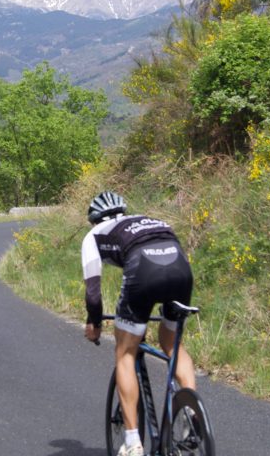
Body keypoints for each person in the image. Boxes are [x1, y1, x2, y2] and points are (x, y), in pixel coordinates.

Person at [81, 190, 196, 456]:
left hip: (144, 271)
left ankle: (132, 442)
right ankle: (191, 414)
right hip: (180, 268)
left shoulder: (94, 235)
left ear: (93, 219)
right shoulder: (146, 220)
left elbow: (93, 291)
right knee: (171, 344)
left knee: (124, 352)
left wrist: (94, 322)